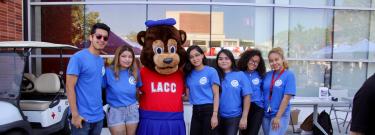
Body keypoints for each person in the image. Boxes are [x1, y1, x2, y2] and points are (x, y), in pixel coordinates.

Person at [66, 23, 110, 135]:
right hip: (82, 118)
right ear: (91, 37)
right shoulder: (78, 58)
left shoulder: (100, 60)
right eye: (98, 36)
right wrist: (75, 115)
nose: (102, 40)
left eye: (105, 38)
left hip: (98, 117)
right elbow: (69, 87)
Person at [103, 46, 142, 135]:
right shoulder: (108, 71)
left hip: (132, 110)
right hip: (116, 110)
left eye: (130, 57)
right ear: (118, 57)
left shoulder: (135, 72)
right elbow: (99, 89)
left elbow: (138, 90)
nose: (127, 59)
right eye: (124, 56)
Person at [184, 45, 220, 135]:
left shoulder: (211, 71)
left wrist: (215, 115)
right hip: (195, 110)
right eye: (191, 57)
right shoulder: (189, 74)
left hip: (209, 110)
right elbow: (188, 95)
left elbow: (216, 95)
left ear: (202, 55)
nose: (195, 59)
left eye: (197, 55)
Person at [215, 49, 252, 135]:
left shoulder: (240, 75)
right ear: (217, 61)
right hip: (217, 116)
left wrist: (244, 117)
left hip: (234, 117)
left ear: (231, 60)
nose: (223, 61)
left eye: (226, 58)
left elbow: (247, 96)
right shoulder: (215, 75)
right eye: (220, 59)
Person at [262, 47, 296, 135]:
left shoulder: (289, 75)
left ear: (282, 59)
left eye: (276, 59)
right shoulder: (267, 75)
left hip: (280, 115)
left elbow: (286, 98)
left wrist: (277, 117)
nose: (274, 63)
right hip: (266, 114)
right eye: (271, 61)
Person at [237, 49, 266, 135]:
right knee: (243, 132)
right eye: (252, 60)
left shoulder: (261, 75)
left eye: (256, 62)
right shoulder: (239, 74)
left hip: (257, 108)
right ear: (246, 59)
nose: (254, 63)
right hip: (243, 107)